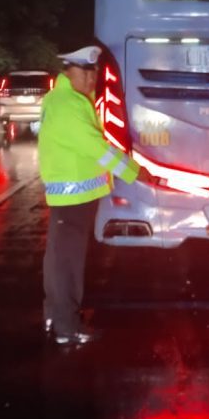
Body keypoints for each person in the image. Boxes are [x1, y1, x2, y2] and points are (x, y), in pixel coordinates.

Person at [37, 44, 147, 345]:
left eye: (94, 72)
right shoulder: (67, 105)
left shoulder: (65, 99)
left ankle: (55, 315)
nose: (92, 78)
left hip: (71, 194)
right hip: (73, 194)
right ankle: (67, 327)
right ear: (69, 71)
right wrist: (134, 172)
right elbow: (96, 147)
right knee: (68, 262)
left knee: (59, 259)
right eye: (86, 72)